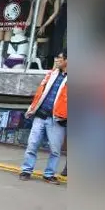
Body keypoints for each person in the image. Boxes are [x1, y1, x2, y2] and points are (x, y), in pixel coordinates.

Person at [19, 50, 67, 184]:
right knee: (32, 144)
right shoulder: (51, 74)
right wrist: (32, 109)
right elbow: (40, 93)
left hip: (58, 119)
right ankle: (26, 170)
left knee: (55, 150)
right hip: (41, 115)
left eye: (60, 58)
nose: (57, 60)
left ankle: (49, 174)